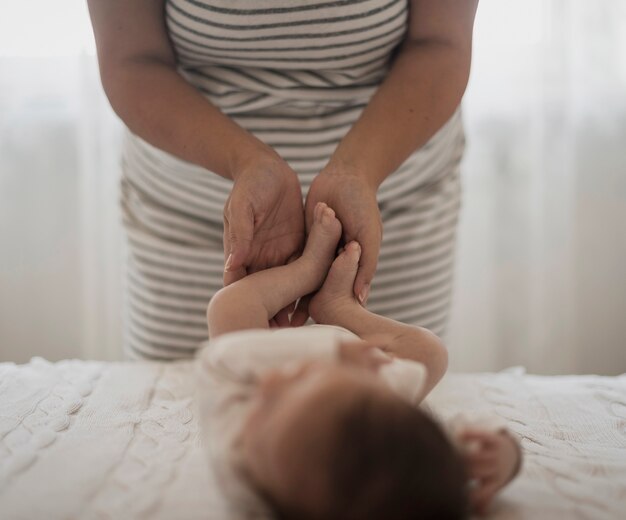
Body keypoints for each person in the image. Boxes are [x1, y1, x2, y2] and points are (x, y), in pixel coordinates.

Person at [86, 0, 480, 360]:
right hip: (193, 205)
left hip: (389, 198)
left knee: (181, 386)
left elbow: (440, 44)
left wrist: (306, 269)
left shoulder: (241, 412)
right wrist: (338, 308)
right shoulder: (384, 421)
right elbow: (427, 355)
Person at [197, 202, 523, 520]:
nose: (272, 383)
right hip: (361, 368)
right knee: (430, 352)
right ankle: (339, 308)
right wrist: (503, 456)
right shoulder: (389, 455)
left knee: (227, 309)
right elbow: (449, 449)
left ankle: (306, 271)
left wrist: (331, 356)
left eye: (268, 406)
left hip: (257, 354)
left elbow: (218, 360)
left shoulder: (238, 459)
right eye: (299, 380)